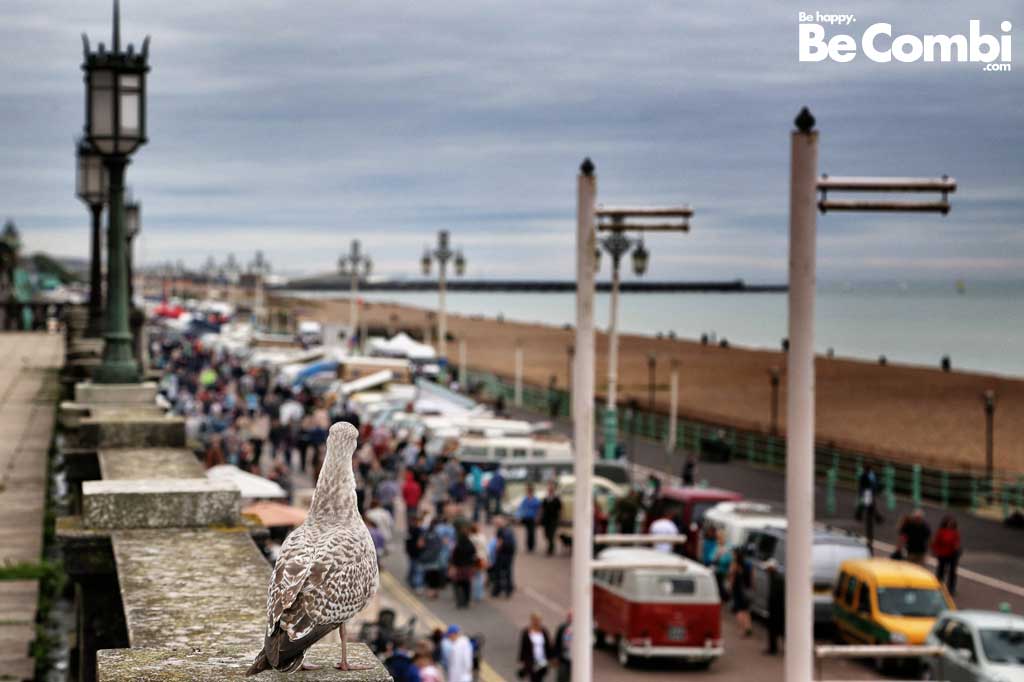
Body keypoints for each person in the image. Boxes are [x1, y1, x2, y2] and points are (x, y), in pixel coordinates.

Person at [931, 514, 962, 595]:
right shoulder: (941, 531)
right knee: (940, 570)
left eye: (952, 523)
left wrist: (956, 547)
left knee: (952, 572)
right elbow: (936, 542)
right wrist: (935, 551)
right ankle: (938, 586)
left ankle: (951, 589)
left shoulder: (955, 532)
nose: (950, 524)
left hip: (952, 554)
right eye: (949, 522)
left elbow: (957, 542)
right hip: (943, 554)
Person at [449, 525, 478, 609]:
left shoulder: (457, 545)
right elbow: (474, 555)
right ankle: (466, 601)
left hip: (459, 568)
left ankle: (459, 601)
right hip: (468, 567)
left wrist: (452, 566)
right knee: (467, 585)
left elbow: (453, 557)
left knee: (457, 585)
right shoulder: (470, 544)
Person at [518, 612, 551, 681]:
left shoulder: (544, 631)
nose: (537, 622)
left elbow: (548, 646)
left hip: (542, 661)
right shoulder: (526, 632)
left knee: (540, 678)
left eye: (538, 620)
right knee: (534, 678)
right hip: (531, 661)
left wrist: (551, 658)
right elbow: (523, 647)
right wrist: (522, 660)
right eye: (535, 620)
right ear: (532, 620)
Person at [727, 546, 753, 637]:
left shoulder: (735, 564)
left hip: (737, 589)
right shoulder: (749, 564)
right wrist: (751, 587)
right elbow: (752, 578)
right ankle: (748, 627)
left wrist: (729, 587)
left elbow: (731, 576)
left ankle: (743, 630)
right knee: (746, 609)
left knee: (739, 610)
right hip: (746, 589)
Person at [491, 516, 516, 597]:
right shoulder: (509, 530)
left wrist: (495, 551)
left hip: (502, 554)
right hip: (510, 553)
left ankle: (497, 590)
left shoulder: (500, 530)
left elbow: (499, 543)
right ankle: (508, 590)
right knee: (508, 571)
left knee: (498, 573)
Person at [764, 560, 785, 655]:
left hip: (776, 608)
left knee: (774, 628)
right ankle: (774, 647)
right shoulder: (776, 577)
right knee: (780, 629)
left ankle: (773, 648)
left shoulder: (776, 579)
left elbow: (775, 595)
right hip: (779, 608)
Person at [540, 482, 563, 556]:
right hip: (546, 519)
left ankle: (550, 549)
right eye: (549, 488)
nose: (550, 490)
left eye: (551, 489)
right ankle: (550, 547)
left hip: (554, 518)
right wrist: (540, 516)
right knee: (546, 534)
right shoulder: (546, 498)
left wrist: (560, 518)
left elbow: (560, 509)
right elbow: (542, 508)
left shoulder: (557, 498)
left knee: (551, 533)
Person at [518, 484, 542, 553]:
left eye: (529, 491)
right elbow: (521, 508)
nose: (528, 492)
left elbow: (539, 509)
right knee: (528, 532)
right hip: (526, 518)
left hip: (532, 518)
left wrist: (538, 517)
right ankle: (528, 546)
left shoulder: (535, 500)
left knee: (532, 532)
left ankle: (532, 546)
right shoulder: (525, 499)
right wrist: (519, 516)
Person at [552, 610, 572, 682]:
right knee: (562, 677)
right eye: (569, 616)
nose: (570, 618)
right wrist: (555, 657)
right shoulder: (562, 628)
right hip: (564, 658)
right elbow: (557, 643)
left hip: (574, 659)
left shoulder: (579, 629)